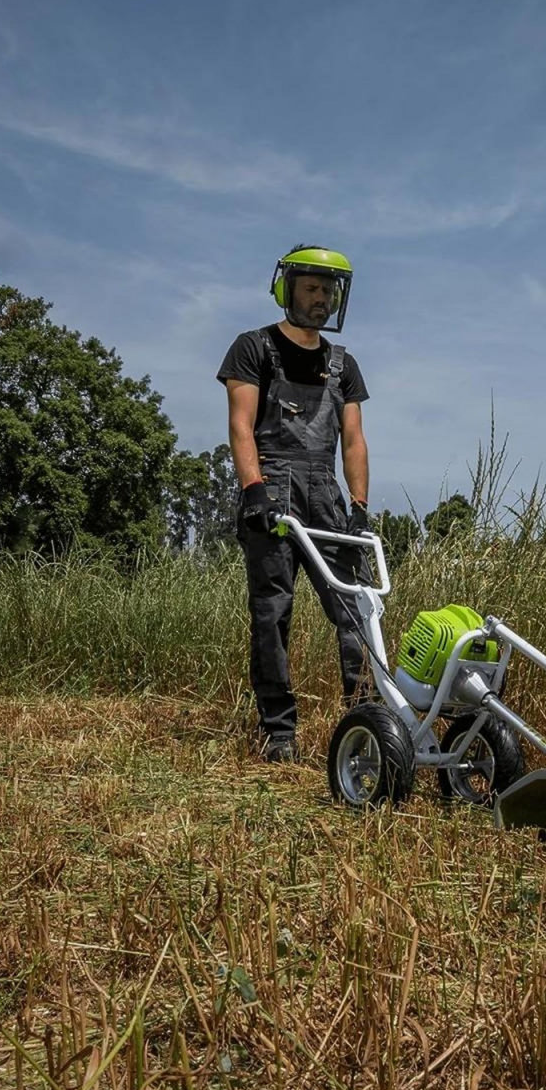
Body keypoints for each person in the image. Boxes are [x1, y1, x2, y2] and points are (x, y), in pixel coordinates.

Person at [216, 243, 371, 762]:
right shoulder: (253, 348)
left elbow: (352, 440)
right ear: (287, 289)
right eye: (312, 288)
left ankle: (366, 718)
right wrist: (253, 488)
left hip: (325, 493)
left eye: (328, 290)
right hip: (272, 487)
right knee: (272, 613)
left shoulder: (343, 363)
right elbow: (240, 426)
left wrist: (360, 504)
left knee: (355, 606)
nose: (321, 298)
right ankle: (279, 733)